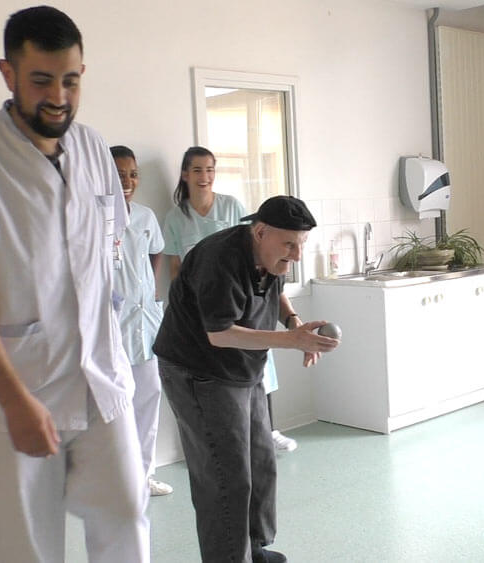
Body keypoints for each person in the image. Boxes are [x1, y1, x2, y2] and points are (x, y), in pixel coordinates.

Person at [0, 7, 148, 562]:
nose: (58, 96)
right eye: (41, 80)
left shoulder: (93, 149)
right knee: (27, 549)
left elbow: (106, 246)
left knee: (126, 523)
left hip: (98, 384)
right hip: (11, 395)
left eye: (71, 80)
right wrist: (16, 402)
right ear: (8, 73)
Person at [154, 195, 339, 563]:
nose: (296, 255)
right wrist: (291, 341)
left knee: (260, 461)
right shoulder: (218, 259)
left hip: (243, 369)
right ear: (259, 231)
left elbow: (276, 288)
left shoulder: (269, 255)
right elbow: (219, 333)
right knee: (225, 478)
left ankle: (252, 550)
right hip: (199, 373)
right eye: (289, 245)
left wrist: (293, 321)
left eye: (300, 245)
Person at [162, 146, 299, 452]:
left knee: (257, 364)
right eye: (197, 170)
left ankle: (266, 428)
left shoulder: (231, 207)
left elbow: (264, 262)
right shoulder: (176, 218)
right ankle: (218, 444)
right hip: (204, 308)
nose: (204, 176)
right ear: (185, 175)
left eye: (210, 169)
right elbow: (176, 270)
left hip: (243, 301)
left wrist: (291, 320)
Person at [110, 145, 174, 497]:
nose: (128, 181)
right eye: (119, 174)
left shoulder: (146, 217)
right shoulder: (94, 220)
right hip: (113, 328)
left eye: (132, 174)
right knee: (115, 407)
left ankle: (143, 476)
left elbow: (157, 250)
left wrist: (149, 293)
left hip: (146, 323)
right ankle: (117, 481)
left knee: (149, 400)